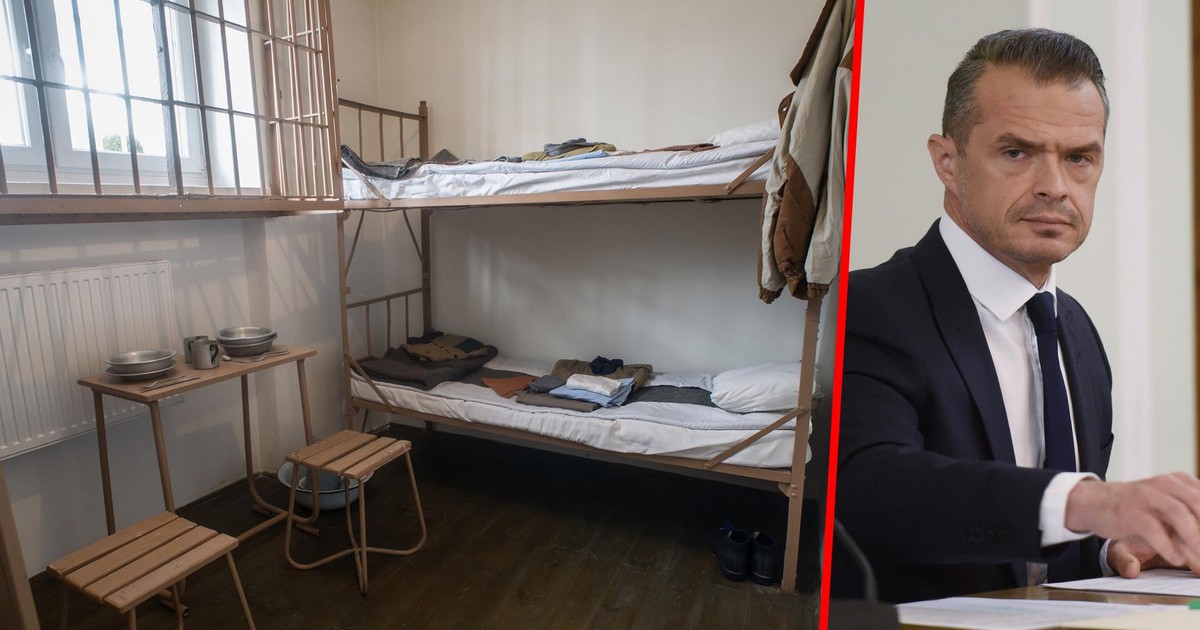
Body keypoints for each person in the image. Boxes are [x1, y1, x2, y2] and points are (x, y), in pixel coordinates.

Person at [832, 28, 1200, 603]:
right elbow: (870, 490)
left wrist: (1110, 547)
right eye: (1016, 153)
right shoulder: (866, 306)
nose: (1055, 187)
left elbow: (1031, 535)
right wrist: (1088, 502)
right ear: (947, 161)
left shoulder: (1076, 329)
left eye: (1078, 158)